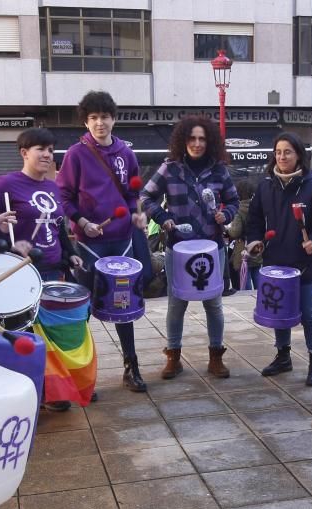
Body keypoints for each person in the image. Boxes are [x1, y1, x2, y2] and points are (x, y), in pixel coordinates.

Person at [57, 91, 149, 393]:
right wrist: (83, 222)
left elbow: (134, 192)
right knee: (83, 310)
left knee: (125, 305)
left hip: (121, 240)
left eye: (104, 116)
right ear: (86, 121)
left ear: (114, 118)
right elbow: (64, 197)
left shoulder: (126, 153)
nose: (100, 123)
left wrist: (137, 214)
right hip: (88, 244)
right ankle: (81, 375)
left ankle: (131, 367)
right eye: (94, 117)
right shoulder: (75, 154)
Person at [140, 116, 239, 380]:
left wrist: (225, 215)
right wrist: (162, 218)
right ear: (183, 141)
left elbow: (233, 200)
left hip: (212, 246)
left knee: (214, 304)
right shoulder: (169, 168)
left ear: (209, 142)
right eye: (192, 138)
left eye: (202, 139)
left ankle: (216, 356)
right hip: (178, 246)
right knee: (177, 303)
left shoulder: (219, 169)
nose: (196, 144)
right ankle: (173, 357)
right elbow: (146, 196)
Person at [245, 133, 312, 385]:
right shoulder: (266, 185)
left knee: (309, 315)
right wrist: (254, 241)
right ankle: (283, 356)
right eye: (278, 152)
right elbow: (253, 220)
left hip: (305, 263)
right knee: (279, 313)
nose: (282, 157)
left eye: (287, 152)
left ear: (298, 155)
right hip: (275, 262)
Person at [0, 128, 82, 282]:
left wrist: (71, 252)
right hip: (21, 271)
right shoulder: (6, 183)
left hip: (55, 270)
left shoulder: (53, 187)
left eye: (51, 150)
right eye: (40, 149)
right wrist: (6, 245)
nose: (47, 155)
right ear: (24, 153)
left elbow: (57, 226)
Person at [226, 179, 262, 290]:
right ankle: (260, 295)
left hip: (243, 248)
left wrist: (227, 230)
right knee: (257, 272)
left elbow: (235, 232)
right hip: (257, 246)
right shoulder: (258, 207)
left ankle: (246, 297)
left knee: (245, 274)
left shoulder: (239, 209)